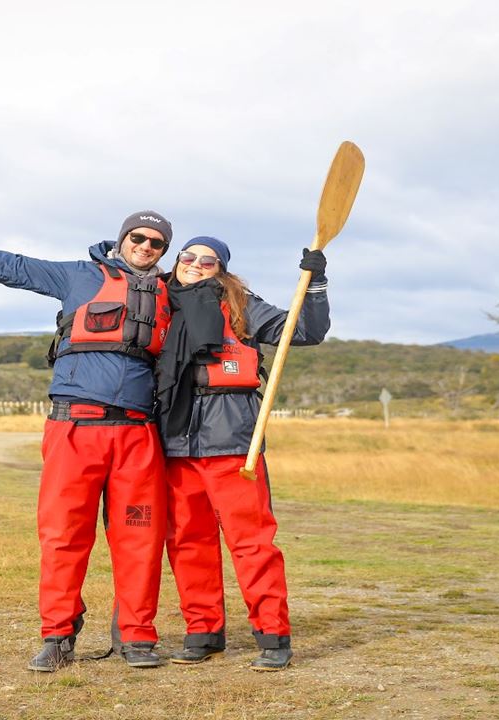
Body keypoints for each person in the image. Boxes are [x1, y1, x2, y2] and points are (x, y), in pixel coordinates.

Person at [0, 207, 174, 671]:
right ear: (123, 237)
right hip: (74, 428)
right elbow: (2, 265)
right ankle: (58, 635)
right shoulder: (77, 277)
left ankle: (137, 636)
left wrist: (312, 284)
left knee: (141, 537)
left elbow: (235, 314)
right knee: (63, 536)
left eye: (156, 243)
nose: (146, 247)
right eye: (139, 237)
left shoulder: (177, 293)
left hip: (137, 433)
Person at [154, 236, 329, 671]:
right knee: (187, 542)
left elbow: (305, 331)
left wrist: (316, 281)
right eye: (188, 257)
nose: (195, 264)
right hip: (174, 441)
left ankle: (272, 636)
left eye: (207, 260)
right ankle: (204, 632)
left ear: (221, 268)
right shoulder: (157, 301)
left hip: (233, 440)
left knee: (251, 543)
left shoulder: (240, 305)